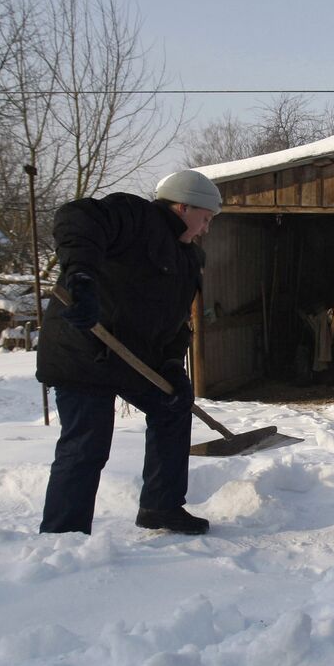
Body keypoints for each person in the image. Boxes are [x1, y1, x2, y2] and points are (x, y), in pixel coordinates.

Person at [36, 170, 222, 535]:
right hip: (83, 350)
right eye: (205, 218)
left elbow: (174, 319)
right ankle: (63, 535)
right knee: (87, 443)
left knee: (172, 407)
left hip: (130, 359)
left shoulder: (187, 259)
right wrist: (81, 279)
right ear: (183, 207)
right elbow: (76, 218)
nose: (205, 229)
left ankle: (161, 506)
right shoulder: (135, 217)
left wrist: (170, 363)